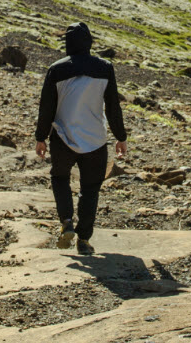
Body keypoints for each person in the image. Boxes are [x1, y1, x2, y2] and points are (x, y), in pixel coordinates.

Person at [35, 22, 127, 255]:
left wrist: (41, 137)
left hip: (63, 137)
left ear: (68, 43)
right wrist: (120, 137)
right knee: (90, 188)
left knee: (59, 178)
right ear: (89, 43)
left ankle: (66, 221)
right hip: (95, 139)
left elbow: (47, 107)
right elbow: (113, 106)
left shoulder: (56, 69)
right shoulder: (105, 68)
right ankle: (84, 240)